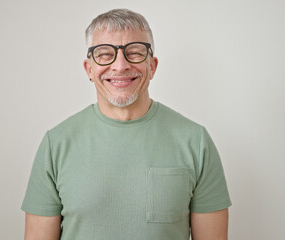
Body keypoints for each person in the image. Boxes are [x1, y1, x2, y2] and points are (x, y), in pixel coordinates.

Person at [21, 9, 231, 240]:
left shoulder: (195, 142)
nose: (120, 66)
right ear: (88, 69)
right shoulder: (56, 144)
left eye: (134, 52)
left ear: (153, 66)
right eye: (104, 54)